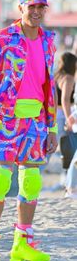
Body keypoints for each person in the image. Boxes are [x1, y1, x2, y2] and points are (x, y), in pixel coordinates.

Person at [0, 0, 58, 261]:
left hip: (36, 121)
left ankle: (22, 244)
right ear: (20, 8)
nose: (36, 12)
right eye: (31, 7)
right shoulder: (2, 38)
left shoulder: (49, 40)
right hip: (5, 120)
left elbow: (50, 86)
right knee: (1, 178)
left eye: (41, 7)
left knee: (31, 182)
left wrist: (52, 125)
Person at [53, 52, 77, 189]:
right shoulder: (68, 78)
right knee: (68, 148)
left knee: (61, 148)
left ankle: (66, 179)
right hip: (62, 113)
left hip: (54, 113)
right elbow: (65, 99)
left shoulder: (57, 76)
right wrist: (69, 118)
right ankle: (67, 179)